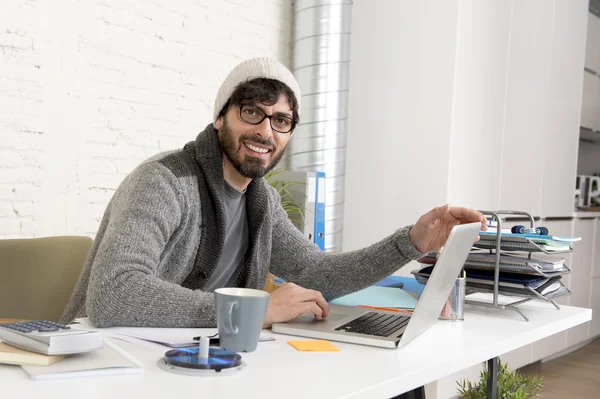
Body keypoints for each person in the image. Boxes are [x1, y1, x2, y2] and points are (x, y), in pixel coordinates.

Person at [60, 57, 487, 328]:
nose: (266, 131)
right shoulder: (164, 181)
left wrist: (410, 242)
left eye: (281, 120)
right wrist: (251, 312)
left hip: (198, 360)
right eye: (252, 112)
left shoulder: (260, 202)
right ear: (219, 118)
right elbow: (113, 295)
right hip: (110, 364)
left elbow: (320, 274)